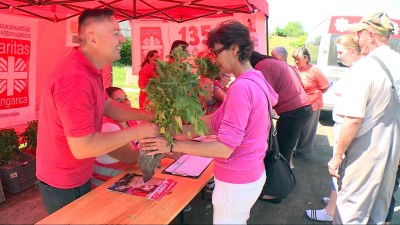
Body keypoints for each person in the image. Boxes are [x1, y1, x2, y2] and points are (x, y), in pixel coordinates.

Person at [140, 21, 278, 224]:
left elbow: (224, 148)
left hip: (236, 180)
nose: (214, 60)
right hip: (249, 174)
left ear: (235, 48)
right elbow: (215, 120)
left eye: (216, 52)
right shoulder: (255, 78)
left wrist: (171, 144)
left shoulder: (241, 88)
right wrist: (177, 130)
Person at [36, 8, 158, 214]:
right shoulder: (74, 78)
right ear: (92, 38)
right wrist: (139, 131)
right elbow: (83, 147)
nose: (122, 39)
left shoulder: (89, 68)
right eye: (115, 33)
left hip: (79, 172)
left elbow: (107, 105)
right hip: (64, 181)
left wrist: (147, 115)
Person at [328, 11, 400, 224]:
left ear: (370, 34)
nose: (358, 40)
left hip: (366, 150)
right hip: (393, 149)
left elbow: (353, 119)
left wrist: (337, 156)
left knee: (350, 210)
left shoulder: (366, 66)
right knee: (379, 210)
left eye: (359, 34)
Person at [305, 34, 363, 222]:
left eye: (340, 52)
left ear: (353, 51)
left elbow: (353, 117)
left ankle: (331, 211)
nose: (338, 57)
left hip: (345, 126)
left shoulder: (359, 72)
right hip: (342, 124)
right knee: (341, 170)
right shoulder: (356, 69)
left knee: (338, 167)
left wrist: (338, 153)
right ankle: (334, 202)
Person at [250, 51, 312, 202]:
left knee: (281, 153)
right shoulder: (274, 62)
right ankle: (282, 185)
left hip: (293, 112)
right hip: (302, 109)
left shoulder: (261, 66)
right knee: (284, 150)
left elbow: (265, 96)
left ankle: (277, 193)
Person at [92, 87, 140, 188]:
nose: (126, 103)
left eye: (126, 98)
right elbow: (131, 157)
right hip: (105, 187)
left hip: (127, 181)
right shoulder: (107, 127)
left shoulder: (130, 120)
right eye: (119, 101)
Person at [292, 47, 329, 157]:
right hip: (297, 104)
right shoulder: (294, 69)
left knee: (308, 130)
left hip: (312, 105)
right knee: (296, 128)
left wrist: (314, 95)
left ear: (306, 58)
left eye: (298, 59)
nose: (296, 62)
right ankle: (293, 149)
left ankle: (303, 152)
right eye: (294, 59)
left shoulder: (315, 71)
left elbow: (325, 86)